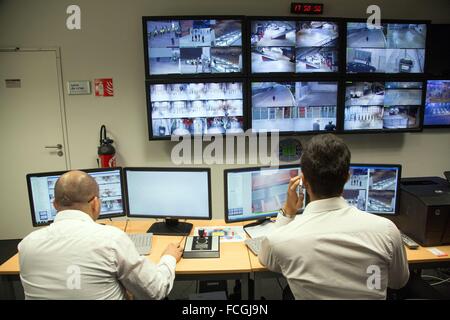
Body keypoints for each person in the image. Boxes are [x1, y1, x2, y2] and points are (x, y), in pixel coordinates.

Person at [258, 134, 409, 299]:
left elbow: (265, 258)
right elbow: (398, 282)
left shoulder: (280, 240)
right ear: (347, 178)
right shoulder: (386, 231)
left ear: (304, 181)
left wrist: (288, 210)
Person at [18, 171, 183, 300]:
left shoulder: (26, 245)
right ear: (96, 203)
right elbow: (156, 291)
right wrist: (168, 258)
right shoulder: (111, 240)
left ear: (55, 205)